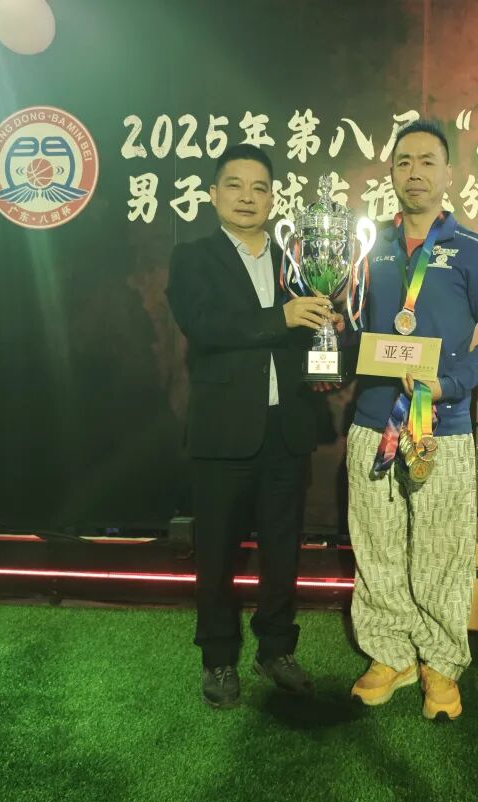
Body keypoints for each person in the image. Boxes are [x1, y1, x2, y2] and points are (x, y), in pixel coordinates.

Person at [346, 120, 478, 720]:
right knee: (377, 543)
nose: (414, 172)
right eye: (403, 162)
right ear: (391, 174)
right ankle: (388, 653)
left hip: (440, 423)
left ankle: (440, 662)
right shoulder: (369, 246)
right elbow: (354, 323)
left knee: (442, 548)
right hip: (373, 421)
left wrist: (452, 382)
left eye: (426, 162)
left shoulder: (473, 249)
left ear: (448, 174)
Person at [166, 143, 336, 709]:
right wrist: (281, 317)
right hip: (223, 435)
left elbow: (305, 334)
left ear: (272, 198)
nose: (246, 197)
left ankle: (276, 649)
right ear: (213, 195)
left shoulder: (297, 260)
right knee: (216, 555)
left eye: (259, 187)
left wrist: (325, 341)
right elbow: (204, 324)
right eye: (234, 185)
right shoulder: (192, 257)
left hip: (287, 430)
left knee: (283, 551)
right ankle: (218, 657)